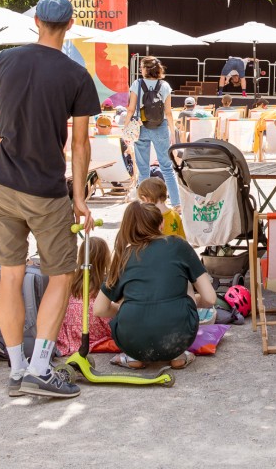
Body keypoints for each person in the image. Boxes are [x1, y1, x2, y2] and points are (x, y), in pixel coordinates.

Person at [0, 0, 100, 399]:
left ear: (36, 24)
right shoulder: (76, 75)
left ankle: (16, 370)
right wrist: (79, 197)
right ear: (68, 26)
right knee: (60, 276)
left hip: (2, 186)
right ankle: (41, 369)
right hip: (45, 191)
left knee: (9, 276)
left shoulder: (5, 61)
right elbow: (80, 145)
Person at [93, 201, 216, 369]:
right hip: (177, 338)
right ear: (161, 223)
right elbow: (210, 298)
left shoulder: (124, 254)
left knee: (133, 296)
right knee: (184, 282)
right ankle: (179, 355)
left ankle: (132, 357)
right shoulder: (178, 245)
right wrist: (192, 301)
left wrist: (124, 309)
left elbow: (99, 309)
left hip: (131, 341)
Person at [125, 56, 181, 209]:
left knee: (143, 169)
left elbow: (131, 109)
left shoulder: (137, 84)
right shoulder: (164, 85)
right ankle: (176, 204)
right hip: (160, 127)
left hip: (141, 127)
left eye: (142, 67)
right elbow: (168, 112)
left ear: (145, 69)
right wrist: (172, 132)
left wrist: (125, 127)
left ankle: (145, 204)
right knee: (167, 168)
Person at [56, 237, 113, 356]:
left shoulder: (73, 282)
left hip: (71, 336)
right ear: (105, 259)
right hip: (94, 334)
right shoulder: (104, 285)